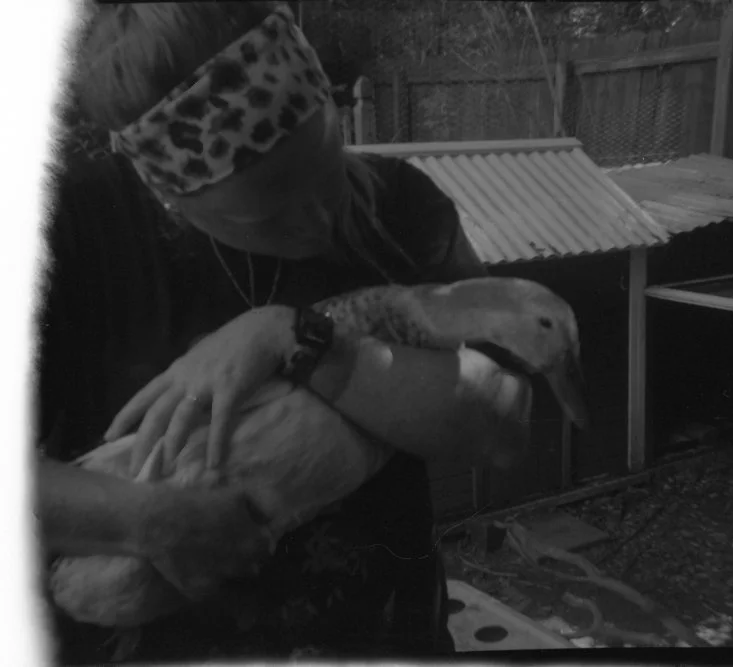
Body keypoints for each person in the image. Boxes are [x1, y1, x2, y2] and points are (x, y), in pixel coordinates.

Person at [42, 1, 532, 661]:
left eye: (323, 166)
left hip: (383, 637)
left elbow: (503, 423)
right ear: (169, 194)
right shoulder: (74, 235)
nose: (316, 222)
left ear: (327, 108)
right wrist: (144, 521)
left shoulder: (401, 208)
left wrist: (297, 337)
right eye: (264, 215)